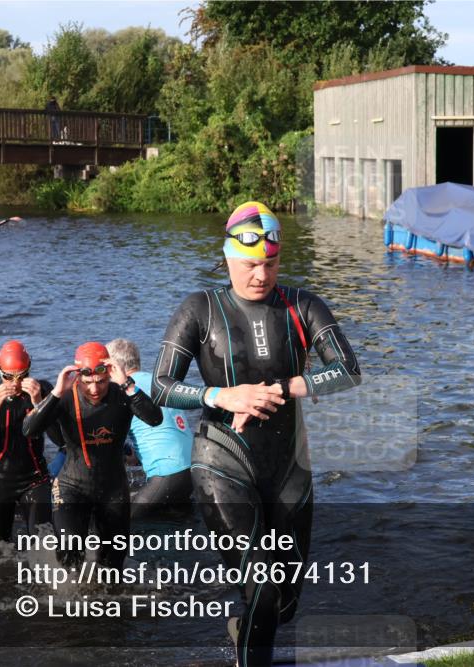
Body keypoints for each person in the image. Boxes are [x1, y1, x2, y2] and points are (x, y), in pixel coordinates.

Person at [152, 201, 361, 666]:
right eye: (250, 265)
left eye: (270, 264)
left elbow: (348, 370)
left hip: (288, 466)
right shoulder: (200, 308)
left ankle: (245, 627)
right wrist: (222, 396)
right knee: (261, 585)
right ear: (228, 259)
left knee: (282, 605)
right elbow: (161, 386)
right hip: (222, 461)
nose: (260, 275)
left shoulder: (302, 305)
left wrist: (283, 387)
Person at [23, 342, 162, 568]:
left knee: (113, 567)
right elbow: (29, 430)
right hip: (72, 486)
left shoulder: (122, 393)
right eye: (87, 383)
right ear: (78, 377)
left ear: (109, 374)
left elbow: (155, 418)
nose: (94, 389)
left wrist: (127, 383)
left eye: (101, 382)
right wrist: (57, 392)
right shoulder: (66, 397)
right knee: (69, 555)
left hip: (112, 488)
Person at [0, 341, 57, 543]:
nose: (15, 384)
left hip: (35, 478)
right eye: (8, 377)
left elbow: (58, 439)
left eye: (21, 376)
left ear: (29, 369)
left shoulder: (43, 389)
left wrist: (39, 403)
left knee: (44, 546)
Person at [105, 338, 192, 520]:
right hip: (193, 469)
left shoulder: (123, 391)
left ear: (114, 367)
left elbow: (108, 439)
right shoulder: (160, 383)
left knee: (123, 525)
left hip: (167, 473)